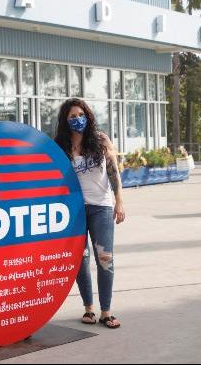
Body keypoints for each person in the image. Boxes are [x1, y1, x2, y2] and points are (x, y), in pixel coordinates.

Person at [54, 98, 125, 329]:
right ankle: (88, 308)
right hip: (74, 210)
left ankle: (106, 312)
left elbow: (113, 172)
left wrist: (119, 201)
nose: (78, 119)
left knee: (105, 258)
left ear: (88, 116)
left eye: (81, 115)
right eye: (73, 117)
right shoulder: (61, 146)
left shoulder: (100, 140)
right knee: (80, 260)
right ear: (66, 120)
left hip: (101, 207)